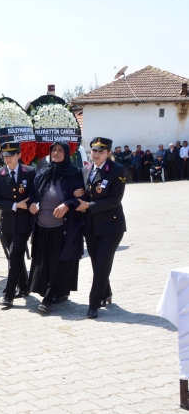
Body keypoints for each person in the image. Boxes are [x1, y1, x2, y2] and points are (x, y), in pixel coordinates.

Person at [27, 142, 85, 313]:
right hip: (42, 225)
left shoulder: (74, 173)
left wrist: (67, 204)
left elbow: (82, 197)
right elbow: (32, 194)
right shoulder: (43, 173)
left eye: (60, 150)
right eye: (54, 150)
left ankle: (48, 299)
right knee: (43, 261)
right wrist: (31, 204)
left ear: (66, 154)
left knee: (57, 262)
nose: (56, 153)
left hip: (62, 227)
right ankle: (52, 292)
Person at [77, 137, 127, 319]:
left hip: (111, 226)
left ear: (108, 153)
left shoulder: (117, 170)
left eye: (101, 151)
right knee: (97, 264)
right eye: (94, 151)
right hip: (91, 226)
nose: (96, 154)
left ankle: (94, 304)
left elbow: (114, 200)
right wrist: (77, 194)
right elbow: (84, 191)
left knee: (102, 263)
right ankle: (106, 292)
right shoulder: (86, 169)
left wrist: (89, 206)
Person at [0, 141, 36, 307]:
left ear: (19, 155)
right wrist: (15, 205)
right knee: (15, 257)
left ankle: (8, 294)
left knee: (15, 256)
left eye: (11, 155)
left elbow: (34, 193)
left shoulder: (29, 172)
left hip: (24, 223)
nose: (8, 159)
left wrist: (30, 203)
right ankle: (24, 286)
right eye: (5, 156)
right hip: (7, 223)